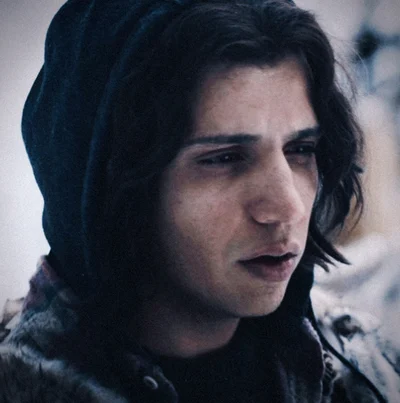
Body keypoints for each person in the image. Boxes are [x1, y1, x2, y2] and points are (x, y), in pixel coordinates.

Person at [0, 0, 398, 401]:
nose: (288, 207)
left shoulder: (364, 374)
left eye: (300, 149)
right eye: (224, 158)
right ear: (111, 181)